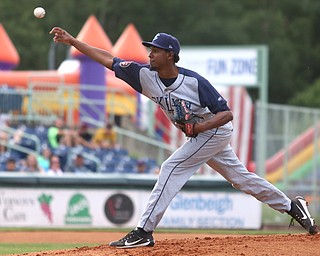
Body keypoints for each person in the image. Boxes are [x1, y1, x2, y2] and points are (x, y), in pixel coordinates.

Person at [50, 27, 318, 248]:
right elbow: (108, 59)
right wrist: (73, 41)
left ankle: (144, 231)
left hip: (214, 130)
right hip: (202, 134)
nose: (150, 54)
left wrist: (199, 129)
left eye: (155, 50)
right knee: (241, 179)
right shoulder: (144, 74)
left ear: (170, 55)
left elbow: (226, 114)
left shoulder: (194, 82)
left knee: (172, 167)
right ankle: (293, 207)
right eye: (149, 49)